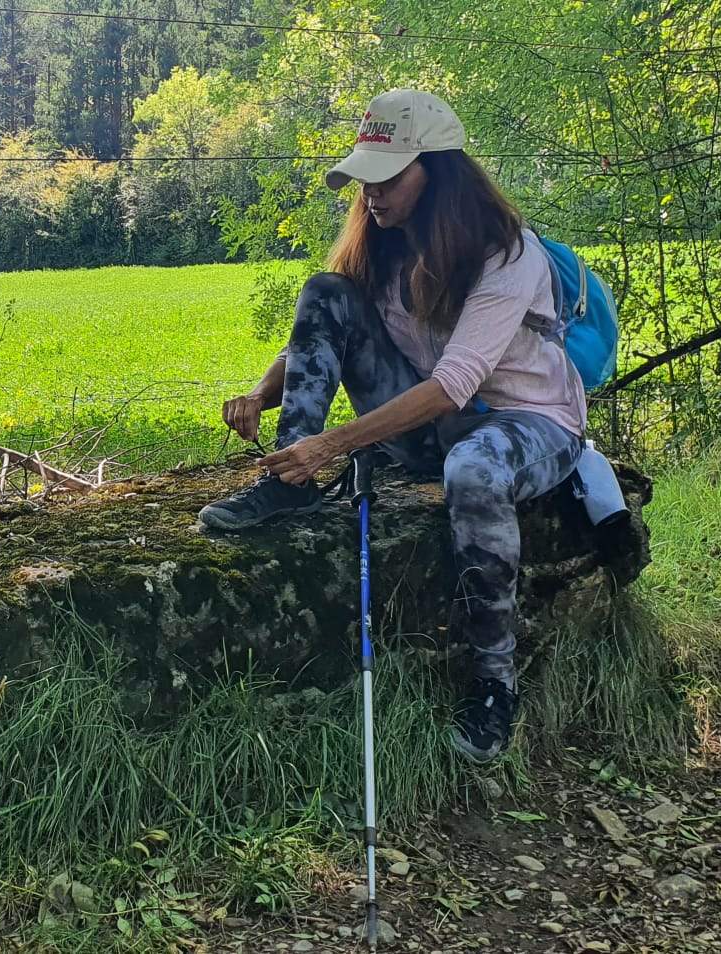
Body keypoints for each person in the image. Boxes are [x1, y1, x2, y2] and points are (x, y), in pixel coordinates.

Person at [196, 89, 585, 763]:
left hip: (530, 426)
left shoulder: (505, 255)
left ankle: (494, 684)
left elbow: (454, 383)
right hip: (436, 426)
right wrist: (262, 393)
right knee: (325, 289)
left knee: (476, 469)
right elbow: (328, 328)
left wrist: (338, 443)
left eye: (388, 178)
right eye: (363, 179)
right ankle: (289, 480)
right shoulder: (385, 247)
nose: (370, 194)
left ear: (438, 174)